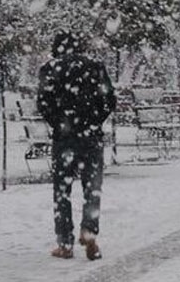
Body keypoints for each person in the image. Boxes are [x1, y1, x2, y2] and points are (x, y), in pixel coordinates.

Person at [37, 30, 116, 260]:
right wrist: (93, 121)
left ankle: (65, 243)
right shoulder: (95, 67)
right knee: (92, 187)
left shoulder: (50, 69)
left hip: (65, 139)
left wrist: (60, 124)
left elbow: (43, 103)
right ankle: (89, 231)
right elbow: (109, 99)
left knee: (62, 191)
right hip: (90, 136)